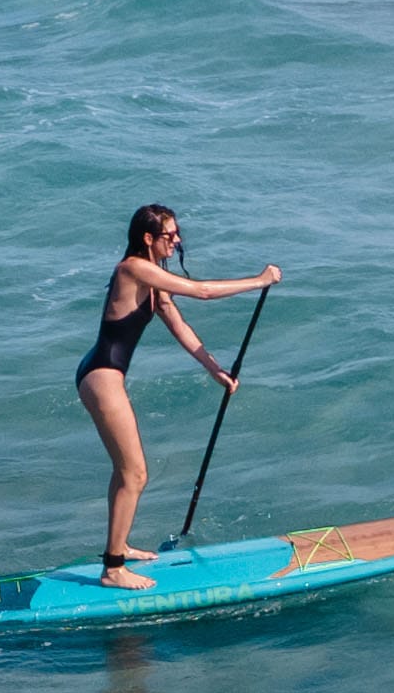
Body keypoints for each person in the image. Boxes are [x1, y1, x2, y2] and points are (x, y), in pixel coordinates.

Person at [76, 203, 278, 588]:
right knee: (135, 473)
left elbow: (180, 326)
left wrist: (214, 369)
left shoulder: (151, 279)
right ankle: (113, 569)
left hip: (102, 374)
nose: (178, 240)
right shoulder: (133, 269)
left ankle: (118, 548)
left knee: (126, 472)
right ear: (148, 239)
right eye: (170, 235)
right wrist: (259, 280)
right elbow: (201, 291)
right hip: (101, 376)